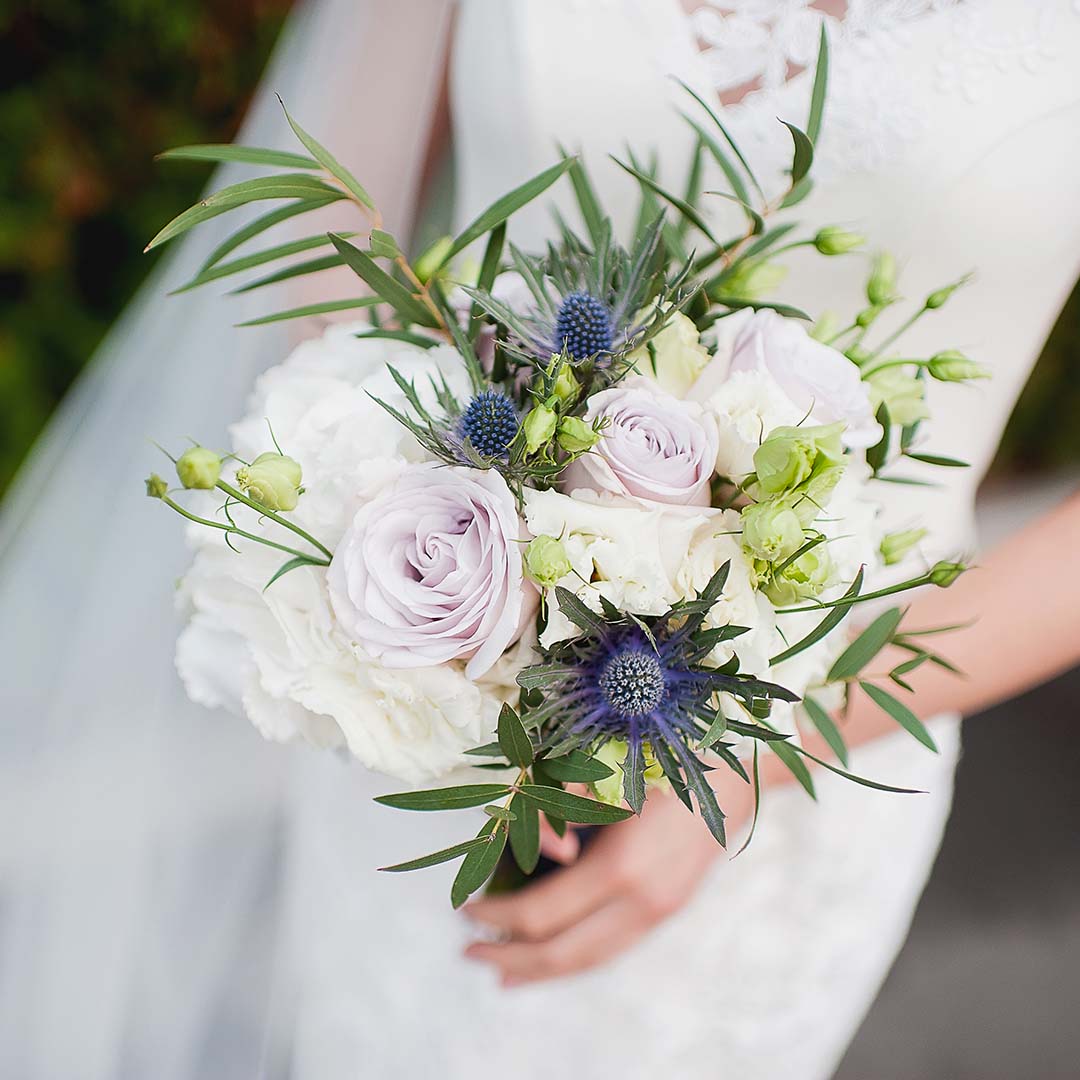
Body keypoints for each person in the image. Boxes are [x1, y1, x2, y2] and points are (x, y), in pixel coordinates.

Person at [2, 1, 1078, 1077]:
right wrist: (403, 555)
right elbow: (328, 209)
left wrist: (756, 763)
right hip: (433, 659)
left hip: (818, 730)